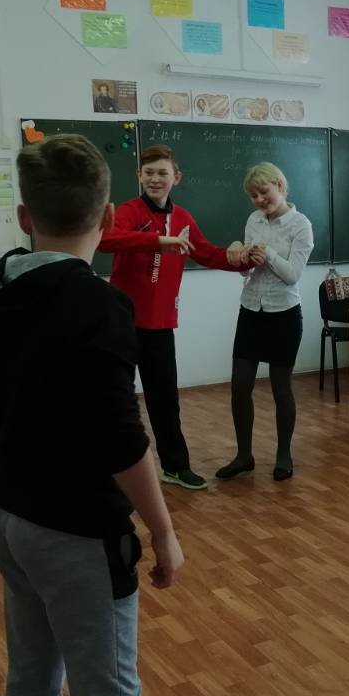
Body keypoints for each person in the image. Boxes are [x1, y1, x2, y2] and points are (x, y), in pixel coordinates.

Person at [0, 134, 185, 696]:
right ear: (107, 217)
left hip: (9, 514)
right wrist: (164, 530)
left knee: (33, 679)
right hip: (78, 535)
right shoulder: (99, 304)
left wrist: (26, 455)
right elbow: (122, 440)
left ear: (24, 217)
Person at [98, 144, 255, 490]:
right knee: (116, 399)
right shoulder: (128, 211)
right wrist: (158, 241)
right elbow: (105, 239)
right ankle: (108, 468)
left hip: (159, 324)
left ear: (176, 178)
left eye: (162, 173)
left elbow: (207, 253)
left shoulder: (183, 218)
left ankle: (175, 466)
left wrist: (241, 259)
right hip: (122, 322)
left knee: (165, 400)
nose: (155, 179)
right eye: (149, 173)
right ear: (139, 176)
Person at [215, 162, 314, 482]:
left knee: (281, 388)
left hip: (284, 315)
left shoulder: (301, 225)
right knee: (239, 386)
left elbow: (292, 275)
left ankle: (284, 455)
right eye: (253, 195)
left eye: (264, 192)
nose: (259, 200)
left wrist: (267, 253)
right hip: (251, 311)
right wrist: (242, 258)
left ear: (280, 186)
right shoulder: (253, 220)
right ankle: (244, 456)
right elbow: (245, 272)